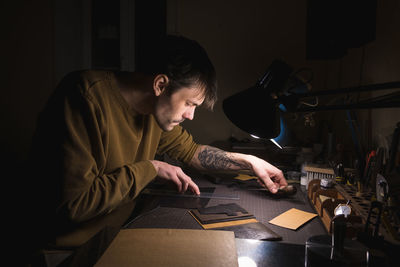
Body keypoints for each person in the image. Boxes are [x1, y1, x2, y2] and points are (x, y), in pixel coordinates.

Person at [26, 35, 287, 252]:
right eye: (189, 104)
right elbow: (75, 204)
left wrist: (250, 162)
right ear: (160, 84)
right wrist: (150, 168)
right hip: (71, 251)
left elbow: (192, 152)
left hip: (119, 236)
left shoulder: (154, 111)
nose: (190, 115)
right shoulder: (84, 98)